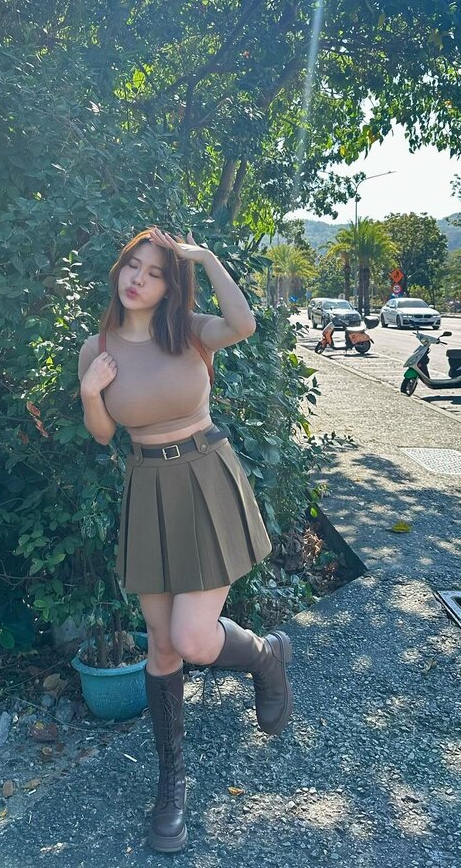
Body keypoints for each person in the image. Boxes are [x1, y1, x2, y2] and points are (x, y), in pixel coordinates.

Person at [78, 226, 293, 854]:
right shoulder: (97, 348)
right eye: (132, 265)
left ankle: (265, 656)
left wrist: (206, 258)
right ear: (119, 271)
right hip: (147, 487)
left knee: (194, 638)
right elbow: (102, 434)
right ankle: (171, 782)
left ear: (170, 286)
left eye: (154, 272)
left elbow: (244, 323)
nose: (138, 278)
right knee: (164, 647)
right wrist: (90, 391)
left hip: (205, 478)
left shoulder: (191, 332)